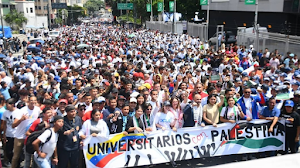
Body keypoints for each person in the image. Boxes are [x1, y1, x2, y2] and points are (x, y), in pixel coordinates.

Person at [11, 96, 40, 168]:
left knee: (30, 158)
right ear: (28, 102)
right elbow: (13, 125)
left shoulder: (38, 109)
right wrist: (21, 119)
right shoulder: (22, 111)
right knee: (16, 156)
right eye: (31, 101)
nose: (33, 102)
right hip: (20, 136)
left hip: (30, 136)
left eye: (34, 101)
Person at [1, 98, 19, 166]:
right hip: (9, 134)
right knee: (9, 150)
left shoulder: (18, 112)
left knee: (17, 151)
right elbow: (4, 124)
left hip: (17, 134)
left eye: (8, 105)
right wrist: (4, 134)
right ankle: (10, 161)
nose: (6, 106)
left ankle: (17, 163)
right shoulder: (5, 112)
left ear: (12, 104)